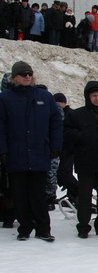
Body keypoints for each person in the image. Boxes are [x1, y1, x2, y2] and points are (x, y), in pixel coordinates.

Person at [0, 61, 62, 241]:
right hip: (16, 154)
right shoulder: (5, 98)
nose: (27, 76)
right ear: (14, 77)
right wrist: (3, 150)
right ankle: (24, 228)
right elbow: (1, 127)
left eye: (29, 73)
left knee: (39, 195)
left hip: (38, 153)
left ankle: (43, 229)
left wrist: (55, 146)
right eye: (23, 74)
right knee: (19, 195)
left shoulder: (45, 96)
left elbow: (56, 123)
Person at [64, 81, 98, 239]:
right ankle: (83, 226)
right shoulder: (77, 114)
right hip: (85, 162)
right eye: (94, 96)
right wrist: (81, 136)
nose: (97, 98)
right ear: (88, 97)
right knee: (85, 197)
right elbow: (67, 133)